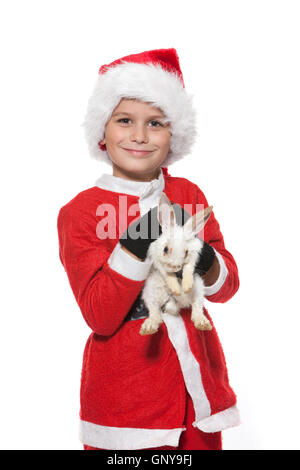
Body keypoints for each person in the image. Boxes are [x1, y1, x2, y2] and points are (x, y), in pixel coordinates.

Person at [57, 48, 240, 451]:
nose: (139, 136)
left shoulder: (189, 195)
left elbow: (227, 286)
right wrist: (137, 241)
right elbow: (101, 316)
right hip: (128, 398)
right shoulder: (80, 212)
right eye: (125, 121)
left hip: (197, 393)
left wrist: (201, 256)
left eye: (155, 123)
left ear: (174, 133)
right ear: (101, 133)